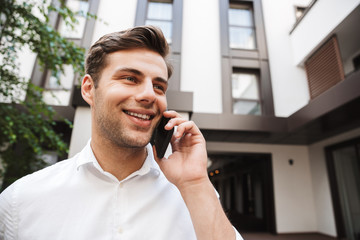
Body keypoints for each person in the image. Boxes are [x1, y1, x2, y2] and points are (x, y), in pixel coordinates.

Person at [0, 25, 243, 240]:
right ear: (88, 89)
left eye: (158, 86)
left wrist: (195, 183)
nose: (149, 95)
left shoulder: (194, 193)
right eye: (130, 78)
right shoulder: (19, 202)